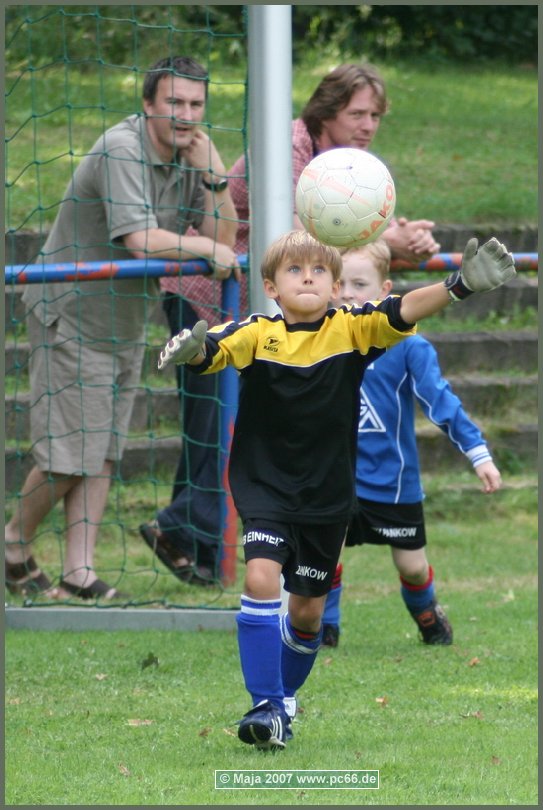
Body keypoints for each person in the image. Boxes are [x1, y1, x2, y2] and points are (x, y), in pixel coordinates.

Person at [156, 229, 515, 749]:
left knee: (307, 615)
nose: (308, 277)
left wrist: (459, 285)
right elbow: (215, 349)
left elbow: (406, 309)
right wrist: (193, 351)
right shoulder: (258, 333)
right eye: (294, 270)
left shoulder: (352, 330)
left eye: (319, 271)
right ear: (270, 287)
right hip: (266, 488)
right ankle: (264, 705)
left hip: (326, 497)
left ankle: (282, 706)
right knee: (260, 579)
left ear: (336, 286)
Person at [5, 55, 240, 600]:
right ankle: (13, 541)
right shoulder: (122, 148)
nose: (186, 115)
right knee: (70, 452)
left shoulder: (190, 156)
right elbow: (141, 240)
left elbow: (223, 236)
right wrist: (207, 247)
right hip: (70, 313)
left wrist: (216, 177)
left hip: (124, 320)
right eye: (174, 103)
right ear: (148, 103)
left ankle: (78, 572)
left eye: (195, 104)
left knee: (105, 449)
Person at [319, 240, 503, 649]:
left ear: (385, 291)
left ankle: (427, 615)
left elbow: (442, 403)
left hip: (392, 483)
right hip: (332, 478)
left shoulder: (408, 346)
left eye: (360, 283)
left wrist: (479, 455)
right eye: (340, 283)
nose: (348, 292)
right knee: (322, 556)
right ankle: (324, 627)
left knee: (413, 566)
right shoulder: (316, 339)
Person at [228, 63, 441, 267]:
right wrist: (386, 241)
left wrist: (415, 240)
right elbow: (298, 237)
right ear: (325, 113)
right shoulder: (287, 147)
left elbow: (378, 224)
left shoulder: (354, 160)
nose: (369, 127)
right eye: (357, 114)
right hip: (222, 291)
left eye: (375, 116)